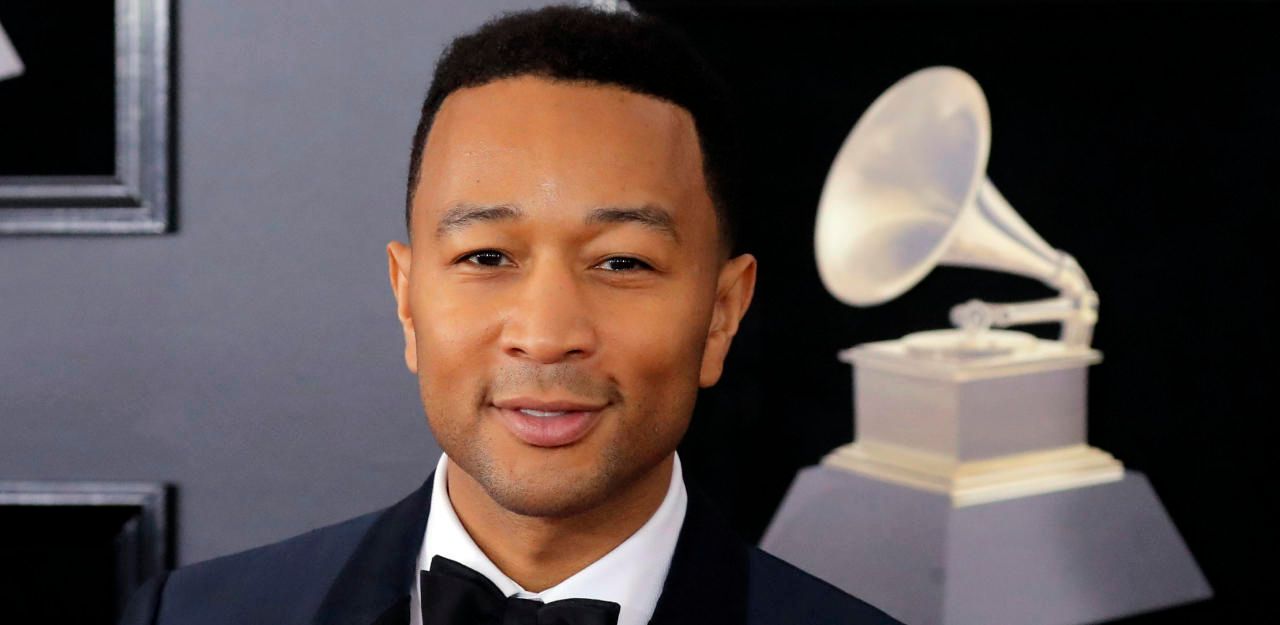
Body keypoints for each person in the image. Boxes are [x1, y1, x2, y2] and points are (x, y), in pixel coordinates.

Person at [120, 5, 901, 624]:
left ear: (722, 315)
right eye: (488, 256)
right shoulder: (188, 615)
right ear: (406, 298)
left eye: (622, 262)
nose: (546, 335)